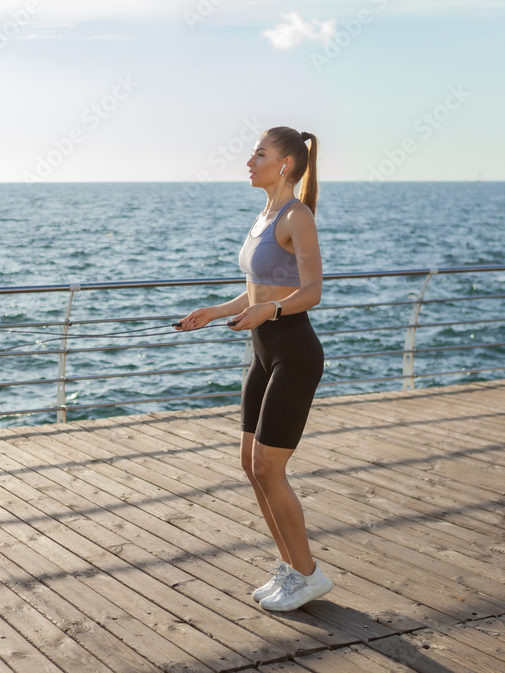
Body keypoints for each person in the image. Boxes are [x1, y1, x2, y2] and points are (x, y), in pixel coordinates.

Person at [175, 126, 332, 611]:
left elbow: (311, 292)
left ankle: (308, 574)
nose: (248, 161)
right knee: (251, 465)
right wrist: (215, 311)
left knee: (269, 466)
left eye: (258, 154)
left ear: (285, 164)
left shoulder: (297, 215)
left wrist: (271, 312)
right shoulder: (264, 215)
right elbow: (257, 289)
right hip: (262, 351)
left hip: (293, 352)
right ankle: (289, 567)